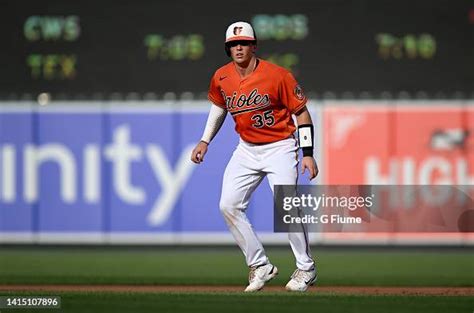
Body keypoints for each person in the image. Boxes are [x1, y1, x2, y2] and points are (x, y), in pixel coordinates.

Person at [191, 21, 319, 292]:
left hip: (280, 147)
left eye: (244, 43)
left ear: (254, 45)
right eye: (233, 44)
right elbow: (218, 107)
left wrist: (307, 153)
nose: (238, 47)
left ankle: (306, 268)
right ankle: (260, 265)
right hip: (246, 148)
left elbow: (302, 113)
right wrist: (205, 140)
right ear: (228, 48)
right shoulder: (221, 76)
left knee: (286, 205)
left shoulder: (278, 75)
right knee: (228, 205)